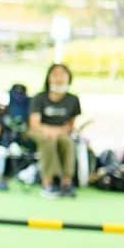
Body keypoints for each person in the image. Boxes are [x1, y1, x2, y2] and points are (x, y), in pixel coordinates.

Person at [28, 63, 83, 198]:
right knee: (48, 140)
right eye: (55, 74)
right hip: (40, 130)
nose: (59, 78)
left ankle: (66, 182)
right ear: (48, 78)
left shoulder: (73, 99)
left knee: (68, 142)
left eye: (63, 74)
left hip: (61, 131)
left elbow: (71, 124)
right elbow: (34, 123)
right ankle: (47, 182)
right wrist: (49, 131)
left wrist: (59, 131)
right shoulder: (39, 98)